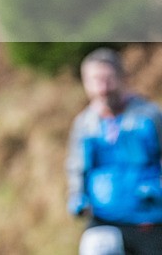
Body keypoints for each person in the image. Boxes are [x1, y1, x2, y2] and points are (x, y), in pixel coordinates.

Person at [66, 47, 162, 255]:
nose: (102, 87)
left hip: (149, 221)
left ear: (122, 78)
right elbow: (76, 167)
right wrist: (77, 196)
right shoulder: (84, 124)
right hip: (104, 220)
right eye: (95, 80)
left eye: (107, 78)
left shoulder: (149, 116)